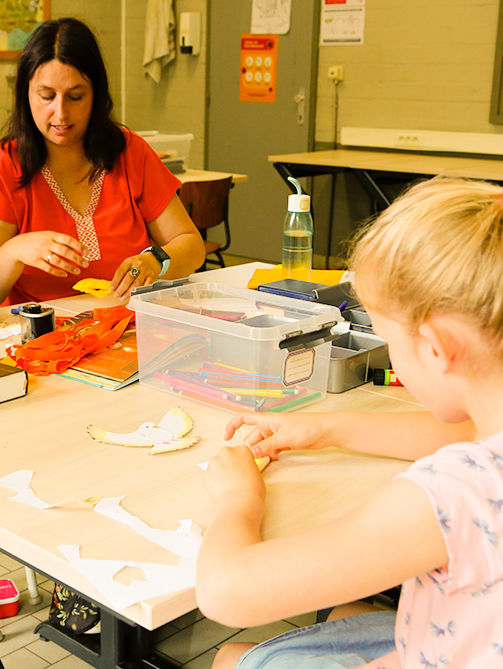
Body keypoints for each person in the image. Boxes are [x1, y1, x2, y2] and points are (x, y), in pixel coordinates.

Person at [196, 176, 503, 668]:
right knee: (346, 609)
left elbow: (224, 593)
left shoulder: (452, 493)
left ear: (437, 348)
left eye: (389, 342)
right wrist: (325, 429)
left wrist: (239, 499)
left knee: (235, 657)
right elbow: (470, 433)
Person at [0, 17, 205, 306]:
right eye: (46, 96)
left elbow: (191, 245)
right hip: (41, 336)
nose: (60, 114)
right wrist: (13, 251)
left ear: (96, 95)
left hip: (128, 325)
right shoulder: (1, 167)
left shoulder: (129, 152)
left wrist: (156, 260)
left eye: (75, 97)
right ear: (26, 94)